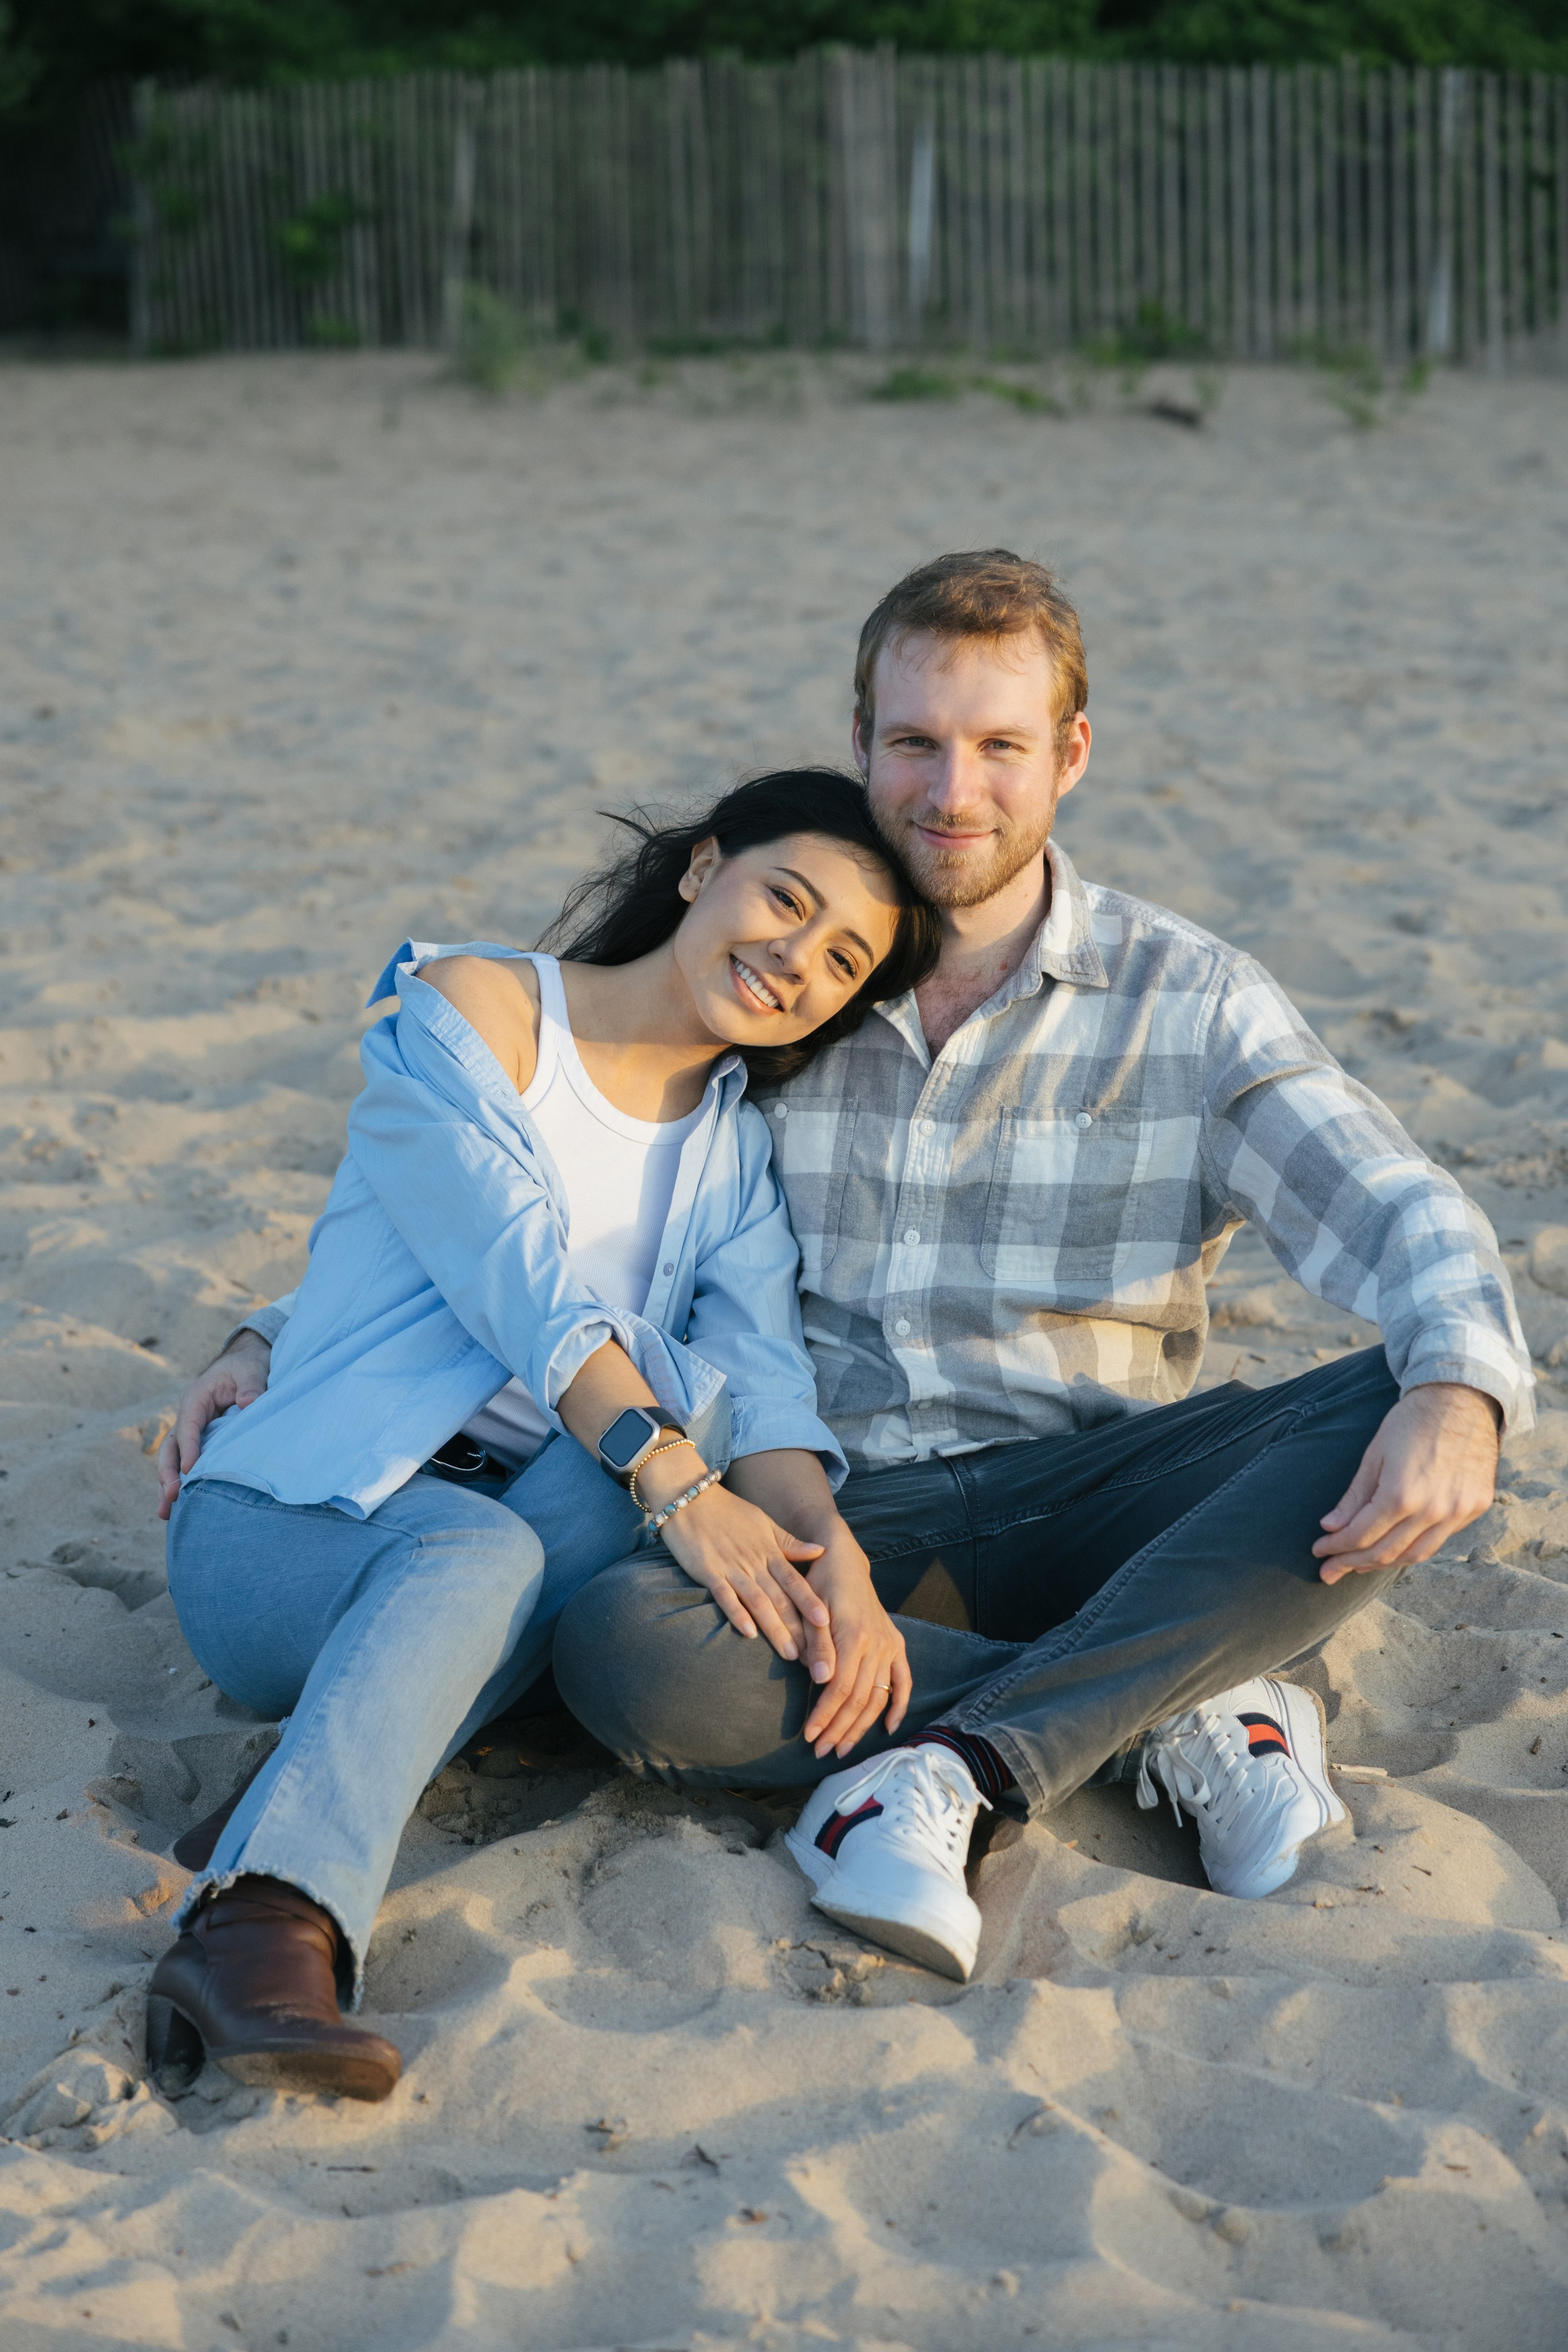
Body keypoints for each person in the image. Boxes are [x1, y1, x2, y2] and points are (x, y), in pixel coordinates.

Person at [176, 551, 1532, 1991]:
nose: (953, 791)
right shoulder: (769, 1023)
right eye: (915, 742)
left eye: (999, 746)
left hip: (1090, 1491)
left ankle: (1036, 1712)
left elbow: (1391, 1199)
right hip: (839, 1512)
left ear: (1067, 755)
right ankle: (1169, 1687)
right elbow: (525, 1196)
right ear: (860, 744)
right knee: (623, 1649)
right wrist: (278, 1331)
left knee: (1413, 1382)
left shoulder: (1181, 997)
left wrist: (1456, 1388)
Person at [147, 771, 938, 2098]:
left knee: (594, 1492)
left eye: (841, 958)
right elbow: (512, 1273)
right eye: (782, 899)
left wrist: (830, 1550)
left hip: (521, 1524)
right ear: (700, 869)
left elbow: (769, 1385)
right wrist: (677, 1485)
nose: (793, 958)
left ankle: (307, 1784)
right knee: (486, 1552)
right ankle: (256, 1927)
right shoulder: (475, 1010)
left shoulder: (730, 1161)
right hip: (292, 1523)